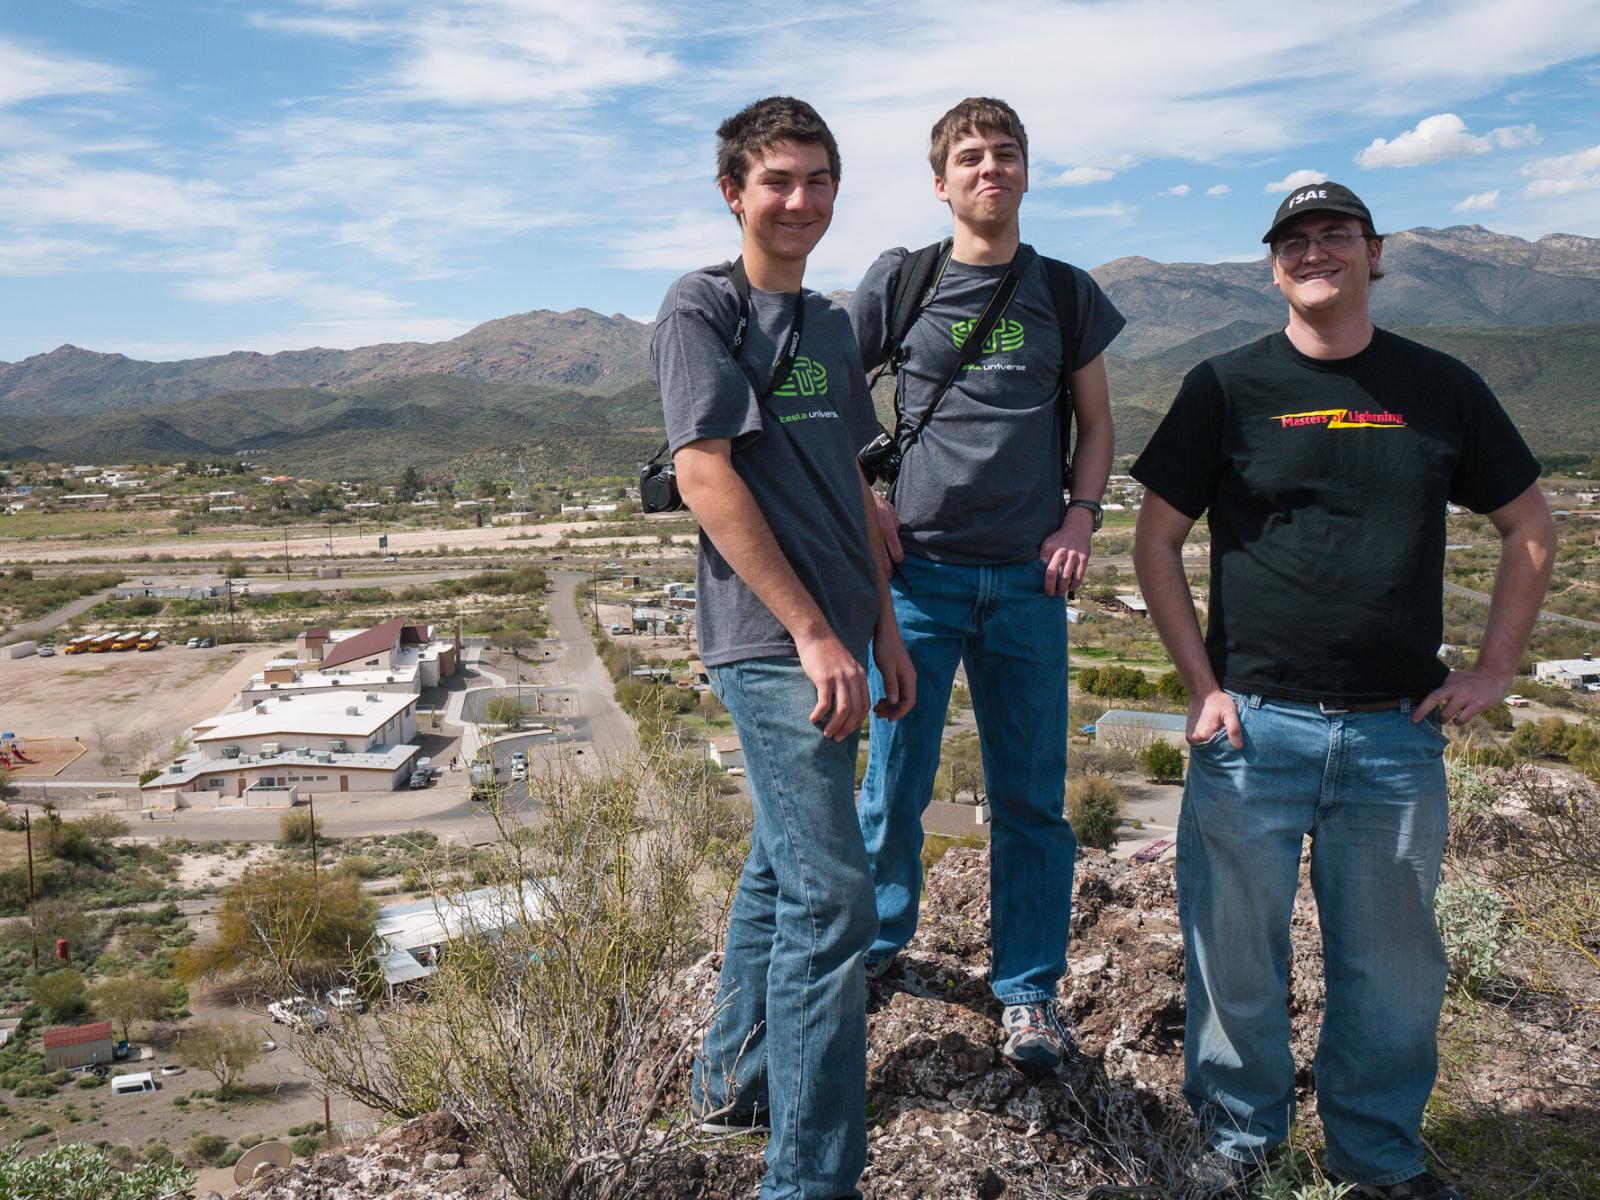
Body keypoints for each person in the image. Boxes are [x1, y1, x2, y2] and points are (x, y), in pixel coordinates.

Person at [1131, 181, 1556, 1199]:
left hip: (1393, 737)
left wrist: (1493, 670)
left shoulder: (1441, 386)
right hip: (1251, 729)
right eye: (1294, 240)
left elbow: (1529, 524)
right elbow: (1155, 538)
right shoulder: (1222, 385)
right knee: (1233, 958)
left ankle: (1378, 1163)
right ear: (1273, 263)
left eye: (1333, 236)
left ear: (1375, 254)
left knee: (1395, 974)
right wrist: (1199, 688)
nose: (1313, 251)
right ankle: (1240, 1151)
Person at [651, 96, 916, 1200]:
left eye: (817, 181)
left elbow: (855, 479)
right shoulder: (701, 308)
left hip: (840, 638)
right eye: (777, 181)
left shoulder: (832, 327)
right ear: (734, 193)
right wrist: (814, 630)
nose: (799, 200)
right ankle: (808, 1181)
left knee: (779, 865)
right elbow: (703, 470)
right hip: (770, 641)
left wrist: (880, 625)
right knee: (834, 898)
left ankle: (729, 1081)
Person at [848, 97, 1122, 1073]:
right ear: (941, 181)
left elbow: (1096, 424)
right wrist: (863, 500)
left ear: (1025, 172)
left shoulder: (1063, 290)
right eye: (969, 157)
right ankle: (878, 946)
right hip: (913, 578)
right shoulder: (903, 281)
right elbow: (826, 398)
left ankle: (1028, 994)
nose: (988, 169)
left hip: (1024, 583)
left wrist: (1079, 516)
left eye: (1005, 154)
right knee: (893, 785)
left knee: (1031, 798)